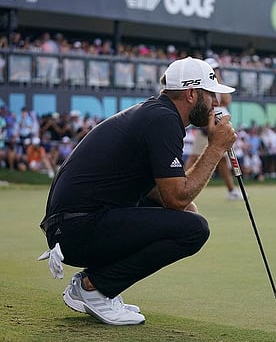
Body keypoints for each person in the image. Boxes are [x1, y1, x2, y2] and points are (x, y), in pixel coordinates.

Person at [37, 57, 237, 326]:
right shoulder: (164, 120)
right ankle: (93, 287)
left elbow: (162, 192)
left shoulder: (157, 113)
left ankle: (94, 285)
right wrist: (216, 147)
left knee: (186, 216)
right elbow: (177, 197)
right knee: (193, 229)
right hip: (77, 228)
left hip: (72, 225)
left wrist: (180, 205)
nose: (216, 102)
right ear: (191, 94)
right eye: (211, 94)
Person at [184, 57, 242, 200]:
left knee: (222, 161)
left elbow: (226, 100)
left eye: (215, 69)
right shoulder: (200, 86)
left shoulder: (217, 84)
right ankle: (182, 185)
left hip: (216, 125)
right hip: (204, 126)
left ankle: (231, 190)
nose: (214, 72)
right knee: (193, 158)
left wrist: (218, 81)